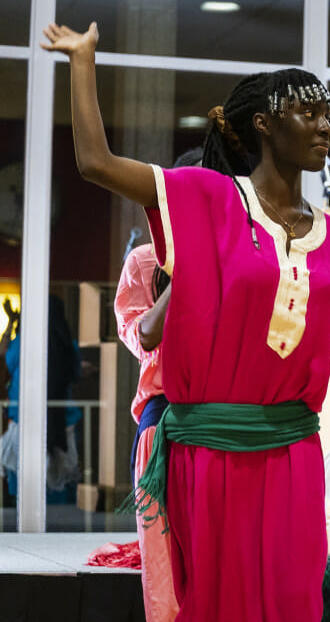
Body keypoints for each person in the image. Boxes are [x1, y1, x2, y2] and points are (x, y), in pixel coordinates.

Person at [42, 20, 330, 622]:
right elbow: (95, 163)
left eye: (329, 113)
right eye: (308, 112)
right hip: (207, 455)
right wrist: (82, 61)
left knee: (293, 603)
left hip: (292, 452)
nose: (325, 125)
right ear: (262, 124)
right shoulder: (206, 199)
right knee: (217, 607)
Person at [114, 147, 204, 622]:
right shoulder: (145, 261)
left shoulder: (248, 258)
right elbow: (143, 337)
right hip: (165, 424)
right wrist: (189, 264)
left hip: (228, 424)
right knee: (165, 567)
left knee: (220, 563)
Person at [0, 296, 83, 502]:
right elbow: (75, 373)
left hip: (25, 424)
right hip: (62, 423)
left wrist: (12, 322)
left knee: (25, 492)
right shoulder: (68, 346)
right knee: (60, 492)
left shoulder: (21, 345)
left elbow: (0, 358)